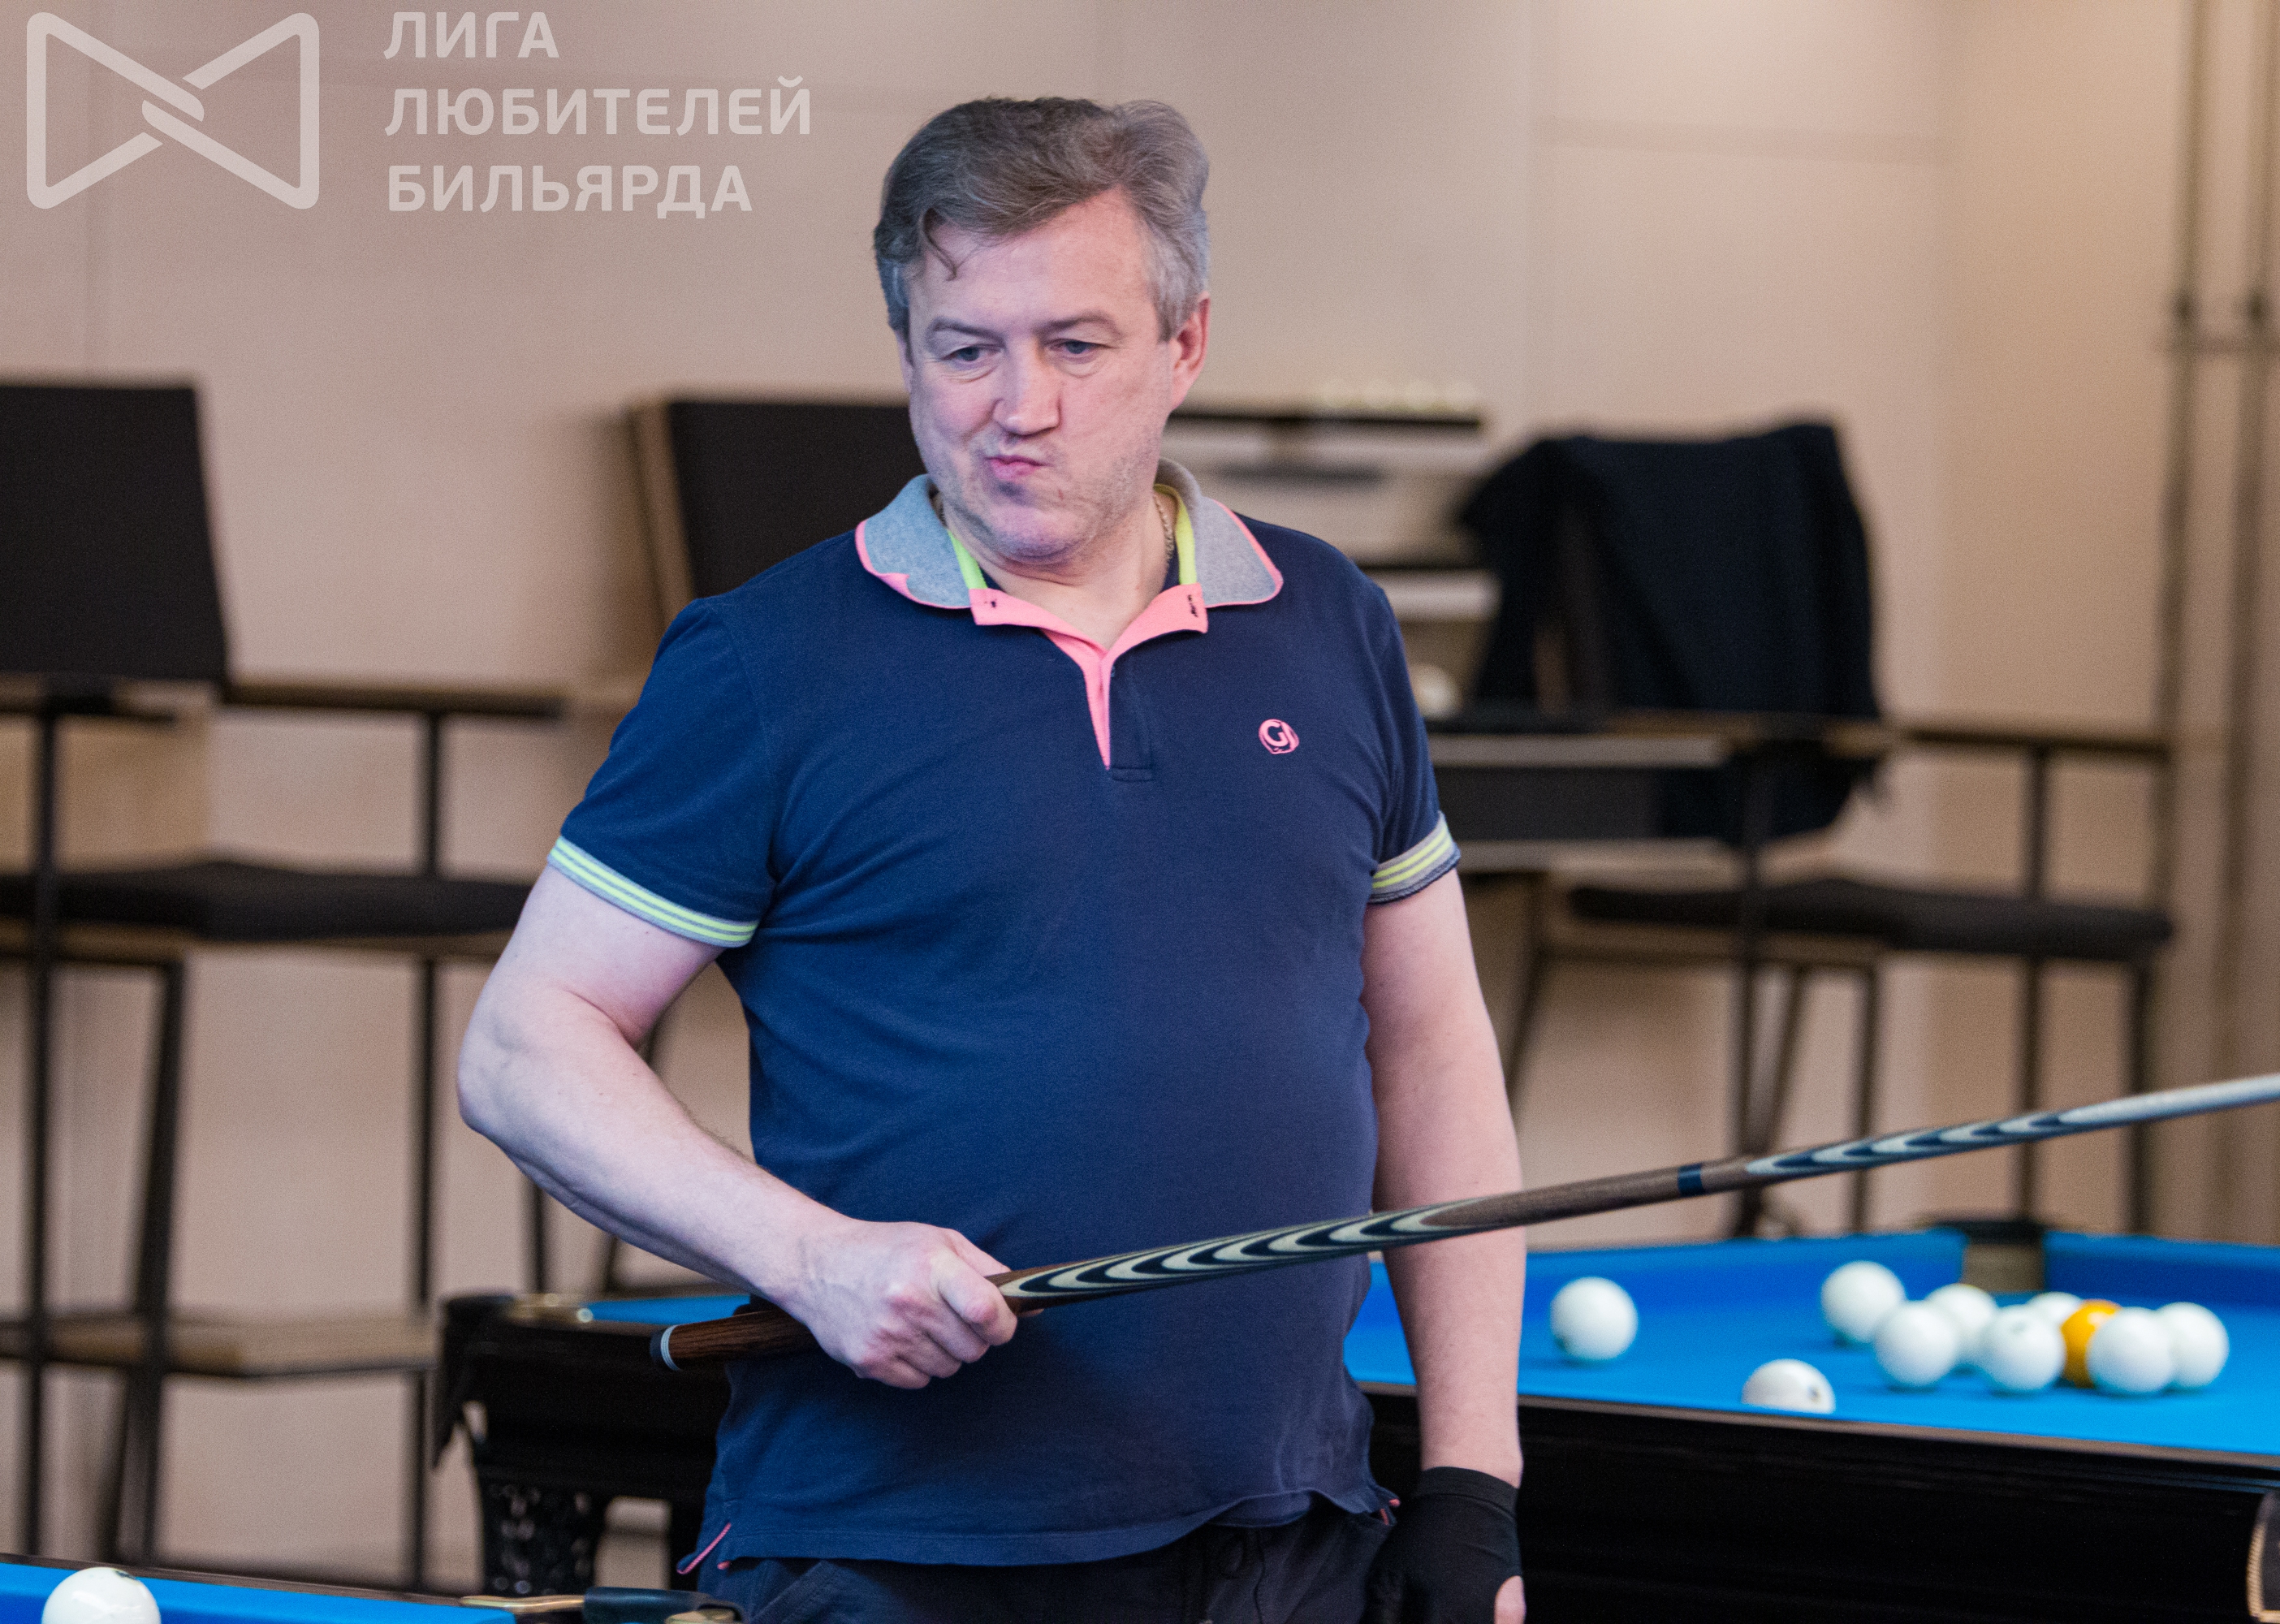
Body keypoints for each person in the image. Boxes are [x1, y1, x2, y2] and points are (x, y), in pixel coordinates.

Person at [458, 96, 1525, 1624]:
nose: (1018, 405)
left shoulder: (1330, 621)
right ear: (908, 351)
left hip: (1291, 1534)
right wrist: (813, 1259)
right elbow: (524, 1047)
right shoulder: (768, 662)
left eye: (1076, 346)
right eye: (966, 349)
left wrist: (1475, 1484)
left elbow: (1431, 1048)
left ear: (1186, 344)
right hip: (897, 1553)